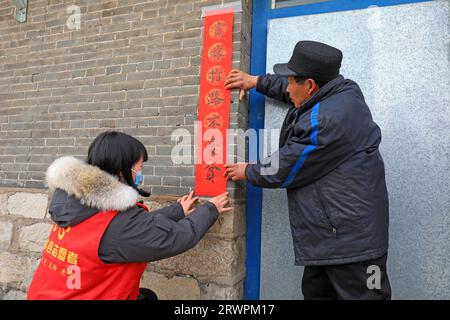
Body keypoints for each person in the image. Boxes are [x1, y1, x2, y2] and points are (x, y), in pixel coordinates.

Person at [224, 40, 391, 300]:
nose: (288, 88)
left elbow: (285, 167)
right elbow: (292, 90)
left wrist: (248, 170)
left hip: (355, 247)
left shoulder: (325, 121)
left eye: (292, 81)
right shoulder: (340, 92)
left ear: (310, 84)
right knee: (315, 293)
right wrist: (255, 81)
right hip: (330, 236)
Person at [27, 131, 232, 300]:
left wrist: (177, 210)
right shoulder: (116, 223)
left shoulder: (79, 204)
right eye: (140, 167)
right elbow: (175, 237)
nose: (140, 174)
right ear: (122, 168)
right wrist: (210, 209)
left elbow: (133, 228)